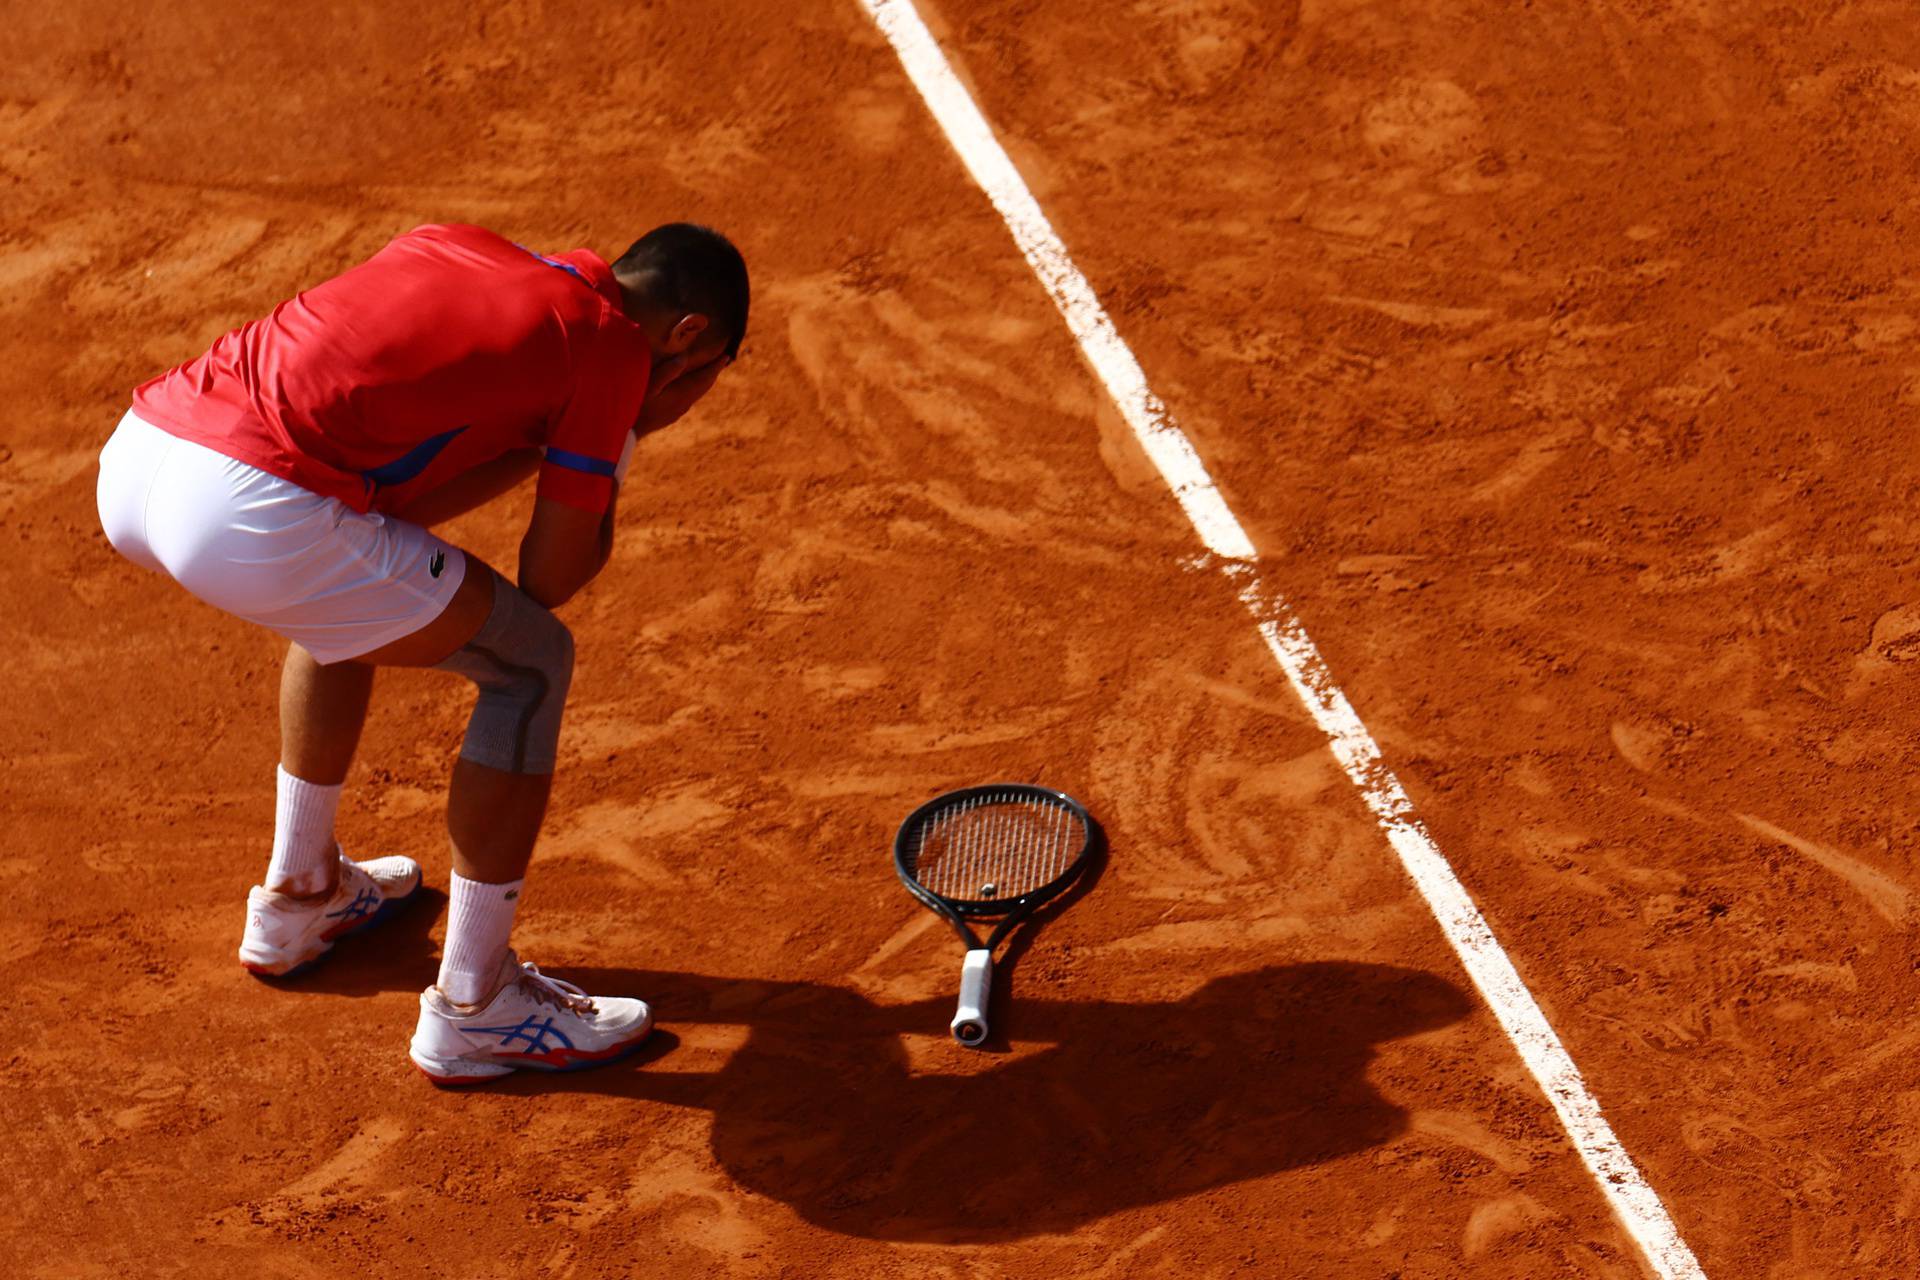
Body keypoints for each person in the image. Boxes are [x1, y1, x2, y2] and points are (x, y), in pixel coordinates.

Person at [94, 221, 748, 1085]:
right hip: (248, 509)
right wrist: (627, 435)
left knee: (349, 571)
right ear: (688, 337)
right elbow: (550, 578)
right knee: (531, 663)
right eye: (707, 378)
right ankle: (476, 1007)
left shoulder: (461, 248)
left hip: (143, 452)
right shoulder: (613, 348)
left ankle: (302, 897)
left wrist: (548, 444)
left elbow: (397, 505)